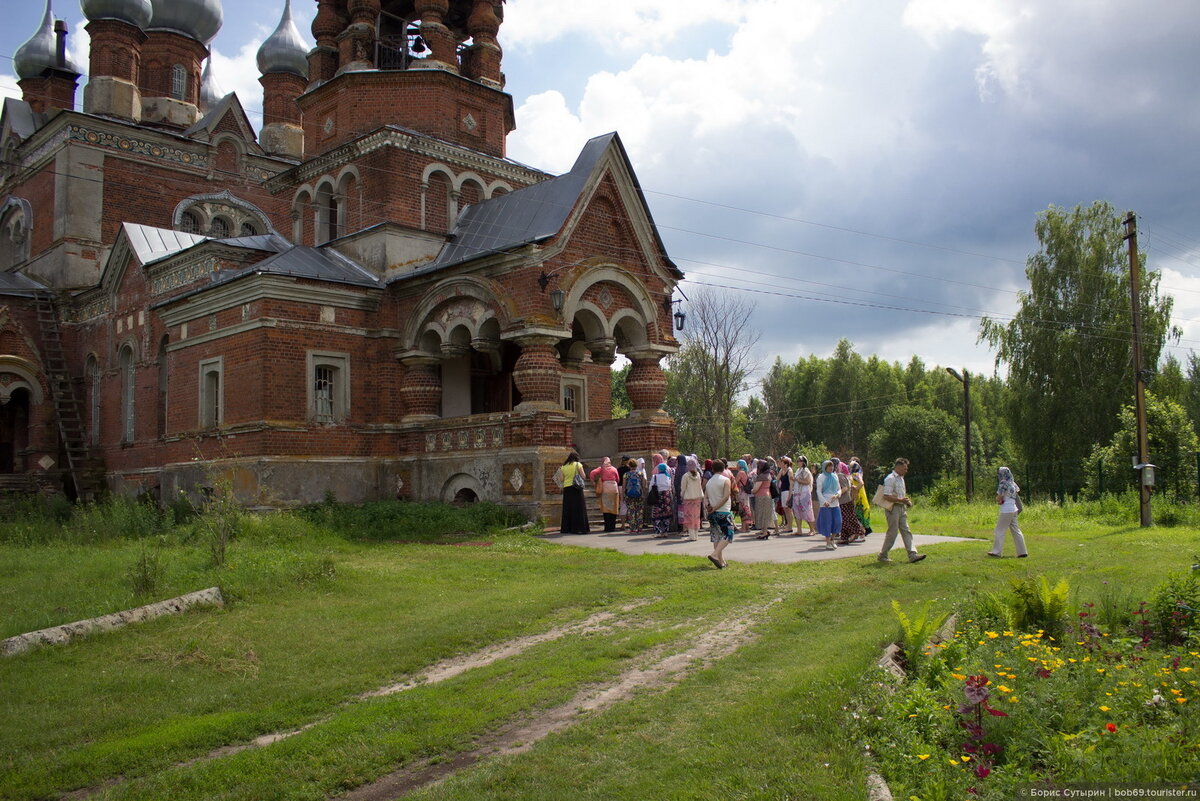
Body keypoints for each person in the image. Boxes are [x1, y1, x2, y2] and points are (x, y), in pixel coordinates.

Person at [878, 457, 926, 564]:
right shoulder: (890, 478)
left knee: (906, 530)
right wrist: (900, 500)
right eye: (905, 468)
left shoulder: (901, 478)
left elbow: (900, 495)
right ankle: (883, 555)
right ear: (898, 467)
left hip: (901, 508)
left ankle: (912, 555)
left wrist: (906, 501)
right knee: (893, 533)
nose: (906, 470)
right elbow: (886, 496)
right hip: (893, 508)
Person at [988, 466, 1028, 558]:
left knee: (999, 530)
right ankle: (1022, 551)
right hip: (1014, 509)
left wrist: (998, 500)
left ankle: (996, 552)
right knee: (1016, 530)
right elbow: (1015, 493)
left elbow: (999, 497)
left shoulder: (1003, 483)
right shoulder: (1013, 483)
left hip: (1006, 510)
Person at [705, 458, 735, 568]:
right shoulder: (726, 480)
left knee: (717, 536)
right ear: (723, 468)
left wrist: (709, 507)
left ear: (712, 469)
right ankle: (714, 555)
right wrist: (716, 507)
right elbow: (726, 496)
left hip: (712, 513)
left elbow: (706, 498)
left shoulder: (709, 482)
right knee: (728, 534)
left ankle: (721, 561)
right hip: (723, 511)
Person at [556, 453, 590, 534]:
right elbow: (583, 476)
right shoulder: (578, 464)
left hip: (567, 489)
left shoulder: (563, 467)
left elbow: (561, 479)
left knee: (568, 509)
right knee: (579, 508)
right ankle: (580, 528)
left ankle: (567, 528)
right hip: (576, 488)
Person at [836, 459, 866, 545]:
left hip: (852, 498)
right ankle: (845, 537)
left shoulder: (854, 474)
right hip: (850, 498)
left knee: (848, 518)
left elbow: (861, 483)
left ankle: (859, 533)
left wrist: (855, 488)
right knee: (849, 518)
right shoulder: (848, 475)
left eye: (852, 466)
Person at [590, 456, 621, 532]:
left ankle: (607, 527)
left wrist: (594, 482)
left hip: (605, 489)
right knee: (614, 508)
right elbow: (618, 479)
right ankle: (612, 527)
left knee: (606, 508)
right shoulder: (614, 469)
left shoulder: (601, 468)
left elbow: (592, 473)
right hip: (614, 489)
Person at [816, 459, 842, 550]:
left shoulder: (835, 476)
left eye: (832, 466)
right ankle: (827, 542)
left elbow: (839, 489)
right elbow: (819, 491)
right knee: (827, 522)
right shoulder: (821, 477)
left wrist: (838, 494)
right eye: (829, 466)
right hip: (826, 502)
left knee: (837, 521)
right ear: (825, 467)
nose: (831, 468)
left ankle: (832, 539)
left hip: (835, 502)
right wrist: (824, 501)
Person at [680, 456, 704, 541]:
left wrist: (682, 495)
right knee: (696, 517)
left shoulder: (685, 476)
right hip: (697, 498)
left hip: (688, 498)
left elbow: (683, 488)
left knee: (689, 517)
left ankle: (691, 535)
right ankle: (696, 535)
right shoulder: (698, 475)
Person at [791, 455, 816, 535]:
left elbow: (808, 481)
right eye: (797, 461)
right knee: (797, 511)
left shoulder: (806, 471)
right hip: (797, 493)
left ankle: (812, 529)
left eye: (800, 461)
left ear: (804, 462)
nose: (798, 462)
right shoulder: (798, 470)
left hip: (804, 493)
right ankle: (799, 530)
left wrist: (797, 480)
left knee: (807, 510)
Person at [752, 459, 777, 539]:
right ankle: (764, 530)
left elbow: (756, 489)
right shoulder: (768, 475)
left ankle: (765, 532)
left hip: (761, 497)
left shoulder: (761, 476)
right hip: (768, 495)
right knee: (766, 513)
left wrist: (752, 490)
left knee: (762, 513)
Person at [649, 462, 675, 537]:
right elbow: (670, 486)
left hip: (658, 496)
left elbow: (651, 487)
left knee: (657, 515)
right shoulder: (668, 477)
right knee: (666, 514)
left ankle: (659, 532)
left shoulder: (655, 477)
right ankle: (665, 531)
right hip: (667, 497)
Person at [622, 458, 645, 535]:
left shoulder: (626, 474)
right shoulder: (640, 473)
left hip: (629, 495)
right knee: (639, 512)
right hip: (639, 494)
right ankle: (640, 528)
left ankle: (632, 528)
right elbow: (643, 485)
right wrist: (643, 494)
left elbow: (624, 486)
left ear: (629, 465)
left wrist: (623, 495)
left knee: (631, 511)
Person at [850, 461, 872, 538]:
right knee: (858, 515)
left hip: (860, 497)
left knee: (859, 514)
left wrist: (856, 488)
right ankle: (862, 532)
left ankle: (863, 532)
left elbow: (861, 483)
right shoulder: (856, 474)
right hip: (858, 496)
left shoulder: (856, 474)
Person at [777, 456, 796, 533]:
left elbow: (791, 484)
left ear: (785, 464)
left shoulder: (789, 471)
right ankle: (788, 525)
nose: (780, 464)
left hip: (788, 491)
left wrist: (790, 495)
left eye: (782, 463)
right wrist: (781, 471)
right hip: (783, 491)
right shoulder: (782, 470)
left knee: (788, 509)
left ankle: (790, 526)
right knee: (785, 509)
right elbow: (777, 478)